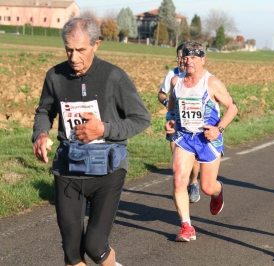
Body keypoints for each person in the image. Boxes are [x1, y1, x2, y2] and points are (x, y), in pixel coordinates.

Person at [32, 18, 151, 266]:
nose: (73, 57)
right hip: (68, 169)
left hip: (108, 170)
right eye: (68, 49)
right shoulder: (55, 76)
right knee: (72, 252)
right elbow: (44, 111)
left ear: (96, 45)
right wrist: (41, 134)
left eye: (81, 50)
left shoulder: (114, 77)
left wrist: (103, 129)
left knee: (95, 247)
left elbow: (141, 119)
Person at [165, 40, 238, 242]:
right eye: (186, 57)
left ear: (203, 59)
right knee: (179, 179)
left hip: (207, 139)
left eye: (194, 58)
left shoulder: (212, 82)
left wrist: (218, 129)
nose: (189, 61)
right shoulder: (176, 82)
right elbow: (172, 103)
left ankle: (218, 191)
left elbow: (233, 107)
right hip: (185, 137)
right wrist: (170, 118)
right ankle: (187, 227)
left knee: (207, 186)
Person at [158, 44, 201, 203]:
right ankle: (181, 185)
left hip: (194, 123)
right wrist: (168, 102)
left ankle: (194, 182)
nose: (182, 60)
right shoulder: (172, 75)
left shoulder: (199, 76)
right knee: (178, 158)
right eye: (180, 57)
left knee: (194, 157)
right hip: (175, 122)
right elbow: (161, 94)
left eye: (185, 57)